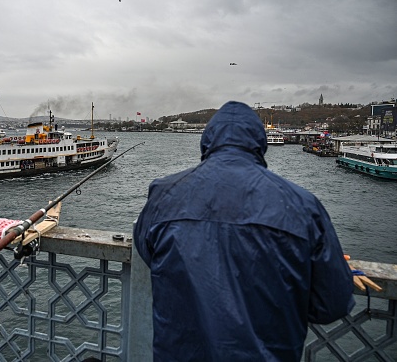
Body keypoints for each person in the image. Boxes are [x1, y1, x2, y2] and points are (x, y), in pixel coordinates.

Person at [134, 101, 354, 361]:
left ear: (207, 141)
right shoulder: (302, 206)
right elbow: (330, 305)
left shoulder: (164, 194)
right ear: (260, 143)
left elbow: (148, 251)